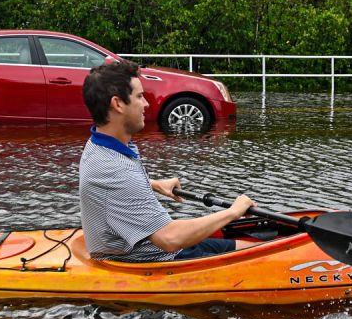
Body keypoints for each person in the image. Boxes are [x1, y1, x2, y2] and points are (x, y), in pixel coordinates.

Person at [78, 59, 254, 262]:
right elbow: (168, 238)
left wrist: (151, 184)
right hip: (156, 258)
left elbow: (110, 188)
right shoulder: (113, 170)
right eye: (140, 96)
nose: (146, 103)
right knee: (259, 253)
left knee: (254, 245)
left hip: (154, 247)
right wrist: (233, 212)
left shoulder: (99, 144)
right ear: (117, 104)